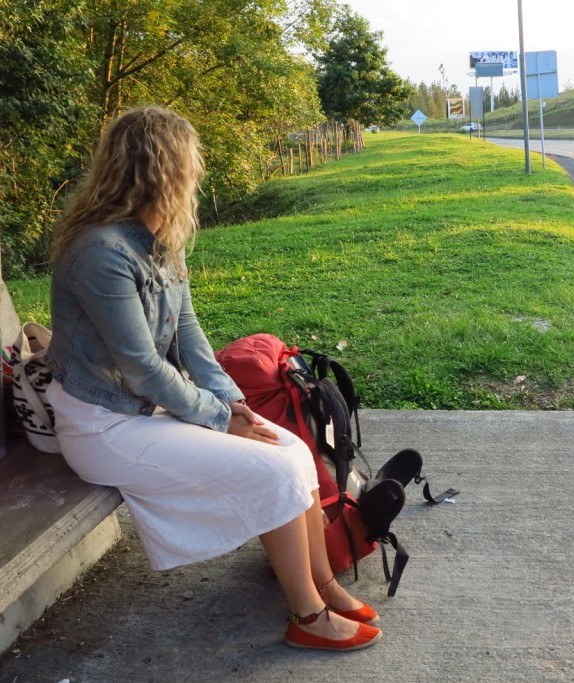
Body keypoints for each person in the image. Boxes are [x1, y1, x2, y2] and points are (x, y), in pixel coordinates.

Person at [45, 106, 381, 652]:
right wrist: (220, 419)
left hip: (147, 409)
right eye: (191, 165)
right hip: (102, 423)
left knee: (292, 452)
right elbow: (142, 367)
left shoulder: (160, 243)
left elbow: (190, 337)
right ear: (164, 169)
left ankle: (322, 582)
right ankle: (307, 616)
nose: (197, 176)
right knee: (272, 472)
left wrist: (234, 403)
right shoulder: (100, 253)